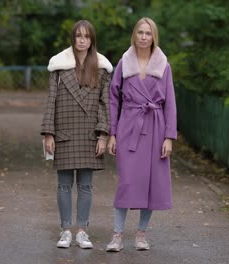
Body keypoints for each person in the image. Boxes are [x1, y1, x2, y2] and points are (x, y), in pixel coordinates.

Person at [106, 17, 177, 252]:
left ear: (154, 36)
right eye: (140, 32)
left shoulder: (163, 65)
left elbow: (170, 104)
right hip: (129, 127)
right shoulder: (124, 63)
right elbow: (113, 99)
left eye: (148, 33)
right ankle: (117, 235)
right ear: (134, 35)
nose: (144, 37)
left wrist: (169, 136)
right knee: (126, 182)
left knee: (151, 184)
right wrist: (112, 133)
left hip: (156, 128)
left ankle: (141, 235)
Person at [40, 20, 113, 249]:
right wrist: (48, 134)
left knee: (85, 185)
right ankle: (65, 231)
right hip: (64, 131)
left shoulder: (101, 69)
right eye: (78, 36)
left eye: (86, 36)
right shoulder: (59, 67)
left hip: (90, 133)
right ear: (73, 38)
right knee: (63, 184)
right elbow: (51, 100)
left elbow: (105, 103)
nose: (82, 40)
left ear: (92, 40)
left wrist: (103, 135)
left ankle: (82, 231)